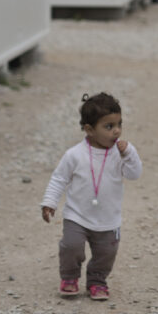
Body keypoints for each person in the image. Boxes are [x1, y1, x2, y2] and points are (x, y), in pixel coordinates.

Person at [41, 92, 142, 301]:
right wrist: (49, 202)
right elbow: (59, 179)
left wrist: (130, 154)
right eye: (108, 126)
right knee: (71, 246)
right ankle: (69, 277)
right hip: (77, 215)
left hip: (108, 218)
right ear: (89, 130)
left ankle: (97, 280)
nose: (116, 131)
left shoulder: (119, 153)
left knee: (107, 253)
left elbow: (134, 174)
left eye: (119, 124)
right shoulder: (74, 155)